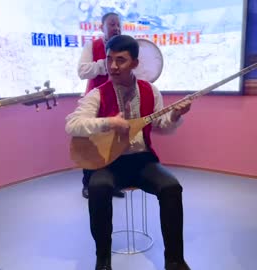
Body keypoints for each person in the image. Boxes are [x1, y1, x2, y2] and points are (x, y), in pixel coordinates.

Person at [66, 35, 192, 270]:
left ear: (135, 63)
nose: (113, 66)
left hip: (142, 161)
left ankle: (174, 259)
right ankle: (103, 259)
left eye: (121, 60)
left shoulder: (150, 91)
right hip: (108, 163)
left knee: (172, 187)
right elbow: (72, 124)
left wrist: (175, 115)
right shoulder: (98, 94)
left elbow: (161, 126)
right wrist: (108, 123)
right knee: (98, 187)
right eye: (110, 59)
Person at [78, 12, 125, 199]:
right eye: (112, 24)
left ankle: (113, 184)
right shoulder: (93, 45)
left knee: (115, 144)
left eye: (118, 25)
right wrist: (105, 64)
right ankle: (88, 184)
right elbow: (82, 71)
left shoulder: (125, 47)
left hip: (117, 102)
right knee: (92, 144)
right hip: (95, 102)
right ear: (102, 28)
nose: (116, 28)